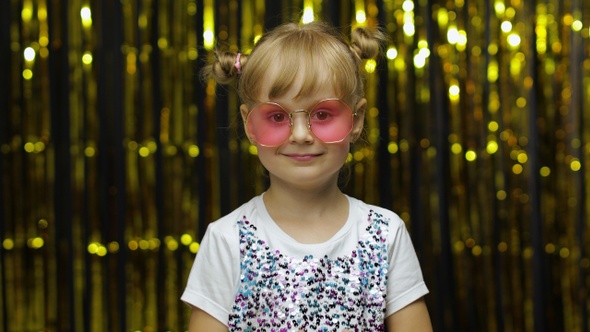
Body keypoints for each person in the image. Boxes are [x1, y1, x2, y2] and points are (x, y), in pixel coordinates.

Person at [181, 20, 432, 332]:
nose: (300, 135)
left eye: (323, 114)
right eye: (276, 116)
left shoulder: (384, 234)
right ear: (250, 125)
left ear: (356, 120)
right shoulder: (227, 240)